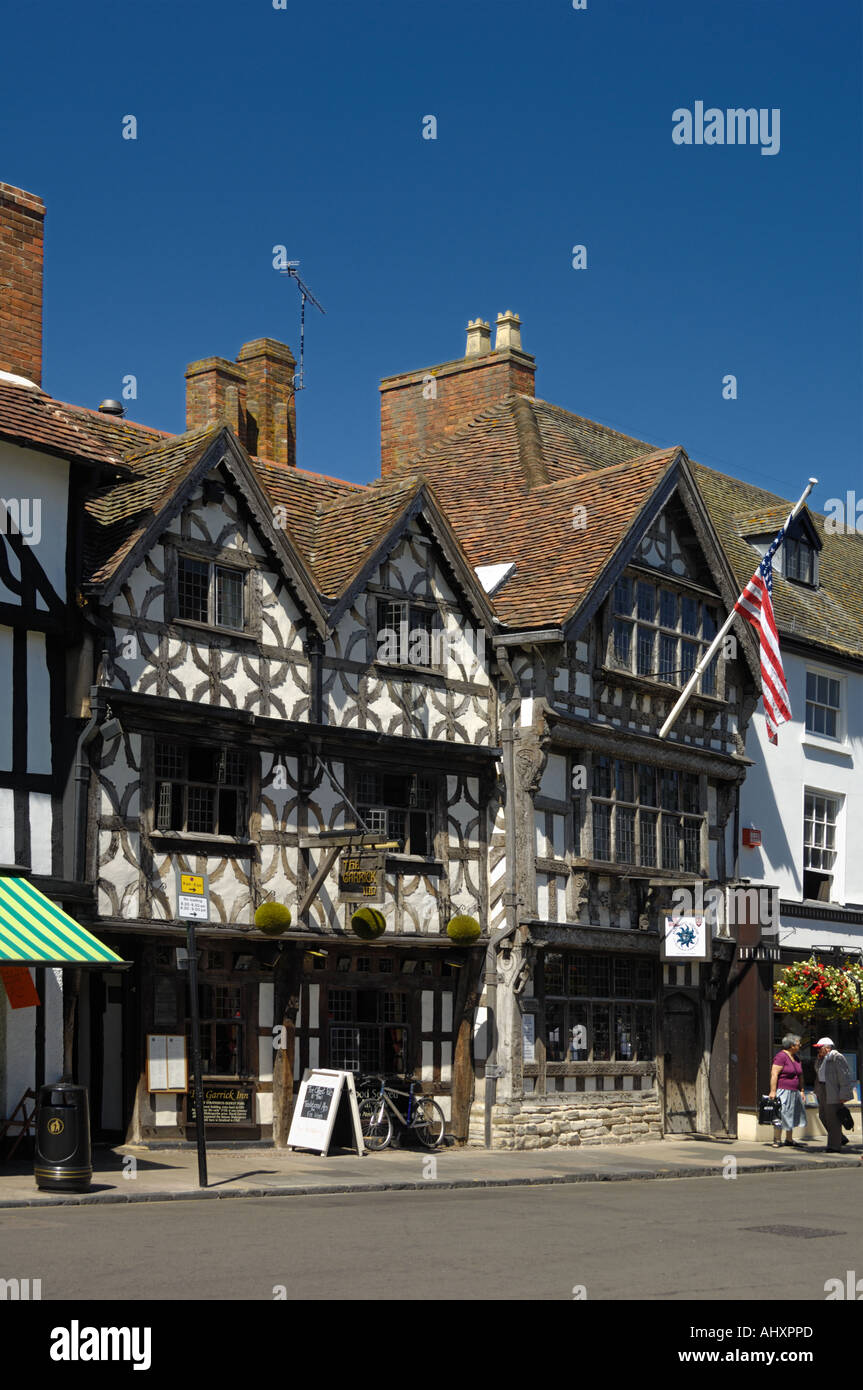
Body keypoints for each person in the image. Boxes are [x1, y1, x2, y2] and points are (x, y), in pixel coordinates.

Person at [813, 1036, 854, 1153]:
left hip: (833, 1091)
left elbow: (844, 1076)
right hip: (822, 1089)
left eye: (820, 1048)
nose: (818, 1050)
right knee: (823, 1116)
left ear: (827, 1048)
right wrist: (818, 1059)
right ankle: (839, 1138)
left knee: (833, 1119)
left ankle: (834, 1146)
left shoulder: (837, 1057)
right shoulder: (822, 1058)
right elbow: (818, 1071)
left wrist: (844, 1095)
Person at [768, 1034, 806, 1147]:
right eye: (798, 1043)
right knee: (781, 1114)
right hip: (783, 1091)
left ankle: (789, 1139)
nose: (800, 1045)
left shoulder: (796, 1057)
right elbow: (774, 1073)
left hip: (795, 1091)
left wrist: (802, 1090)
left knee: (792, 1114)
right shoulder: (781, 1056)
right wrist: (773, 1091)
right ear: (791, 1045)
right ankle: (777, 1139)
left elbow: (800, 1075)